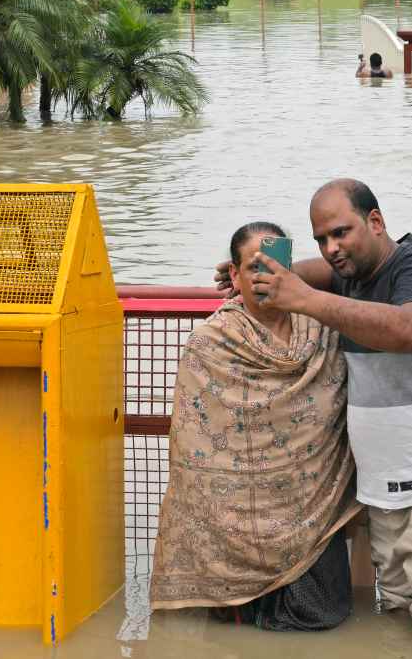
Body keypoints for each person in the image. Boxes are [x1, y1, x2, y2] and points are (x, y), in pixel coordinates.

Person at [219, 180, 412, 645]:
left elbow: (410, 329)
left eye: (340, 233)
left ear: (375, 222)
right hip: (388, 490)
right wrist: (260, 271)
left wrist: (303, 299)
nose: (331, 249)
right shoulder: (351, 276)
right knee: (394, 621)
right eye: (321, 239)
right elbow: (318, 277)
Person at [150, 222, 362, 631]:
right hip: (232, 517)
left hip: (310, 505)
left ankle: (245, 611)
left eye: (276, 267)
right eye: (253, 268)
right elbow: (193, 450)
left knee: (325, 613)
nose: (266, 279)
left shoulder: (323, 329)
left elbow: (383, 300)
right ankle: (234, 604)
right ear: (234, 275)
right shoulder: (210, 342)